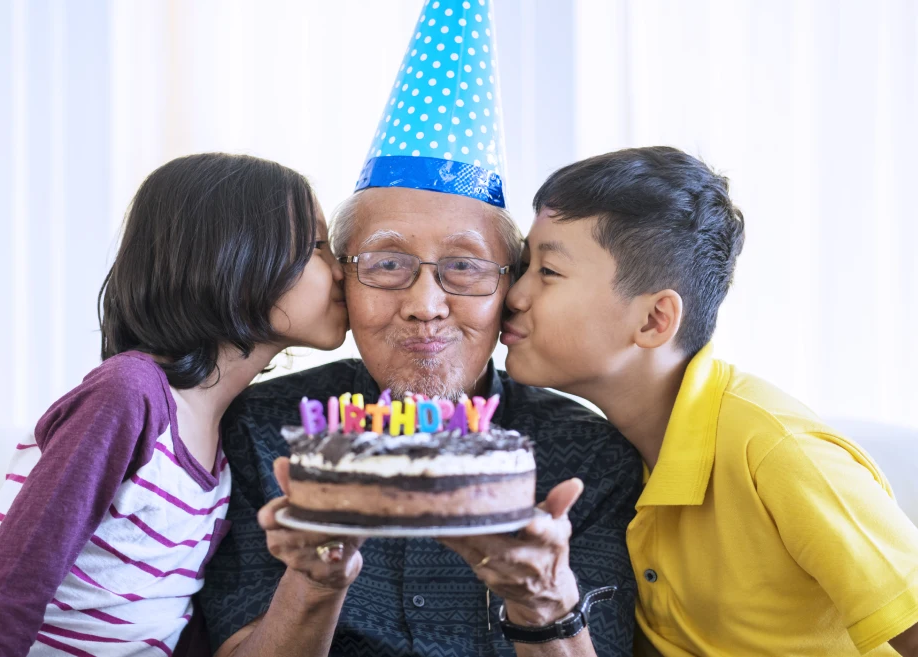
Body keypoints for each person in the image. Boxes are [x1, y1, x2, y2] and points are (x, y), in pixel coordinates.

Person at [198, 2, 643, 656]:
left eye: (463, 268)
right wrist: (315, 579)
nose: (425, 304)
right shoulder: (268, 429)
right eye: (387, 264)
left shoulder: (587, 457)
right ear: (342, 280)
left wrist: (541, 597)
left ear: (508, 288)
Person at [0, 153, 349, 656]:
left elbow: (167, 617)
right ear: (236, 258)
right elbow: (15, 577)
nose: (341, 272)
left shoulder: (228, 437)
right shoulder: (128, 395)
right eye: (319, 247)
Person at [500, 145, 918, 656]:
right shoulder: (612, 460)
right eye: (522, 266)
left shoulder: (777, 451)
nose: (513, 296)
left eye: (548, 272)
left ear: (653, 321)